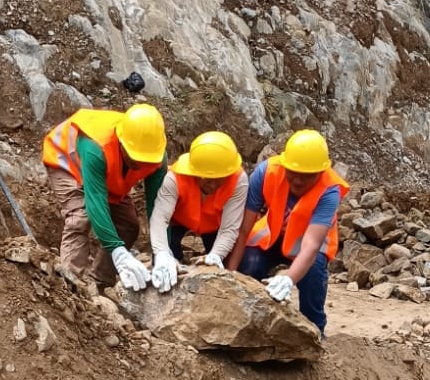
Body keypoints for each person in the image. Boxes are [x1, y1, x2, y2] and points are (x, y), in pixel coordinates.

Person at [227, 129, 349, 339]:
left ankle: (314, 330)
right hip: (271, 239)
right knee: (250, 263)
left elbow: (311, 245)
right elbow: (244, 228)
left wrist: (288, 279)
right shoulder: (266, 172)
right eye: (293, 174)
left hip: (305, 245)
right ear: (285, 165)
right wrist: (229, 275)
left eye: (306, 177)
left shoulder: (329, 190)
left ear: (320, 173)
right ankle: (250, 322)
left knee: (314, 270)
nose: (298, 182)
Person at [41, 103, 168, 291]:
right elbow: (96, 201)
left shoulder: (155, 154)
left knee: (129, 225)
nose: (139, 165)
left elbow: (157, 206)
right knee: (80, 218)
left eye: (144, 162)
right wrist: (117, 249)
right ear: (122, 142)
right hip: (66, 162)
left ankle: (100, 283)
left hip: (108, 173)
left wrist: (162, 252)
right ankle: (72, 289)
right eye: (134, 159)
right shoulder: (95, 146)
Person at [146, 132, 249, 293]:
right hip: (177, 221)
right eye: (207, 178)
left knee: (224, 268)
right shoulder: (175, 177)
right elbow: (159, 219)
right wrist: (162, 253)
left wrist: (217, 255)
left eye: (219, 178)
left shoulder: (238, 180)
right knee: (166, 265)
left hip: (215, 225)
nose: (213, 184)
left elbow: (230, 228)